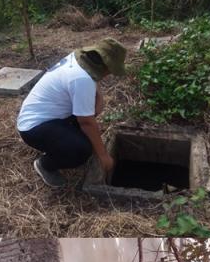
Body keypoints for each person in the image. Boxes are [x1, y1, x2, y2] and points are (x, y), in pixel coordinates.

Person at [17, 38, 127, 189]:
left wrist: (99, 99)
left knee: (91, 118)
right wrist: (103, 156)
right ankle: (45, 165)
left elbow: (93, 108)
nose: (109, 74)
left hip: (48, 116)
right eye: (111, 70)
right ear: (105, 65)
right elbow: (86, 122)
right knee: (81, 150)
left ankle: (58, 144)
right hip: (34, 127)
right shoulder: (82, 79)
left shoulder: (81, 60)